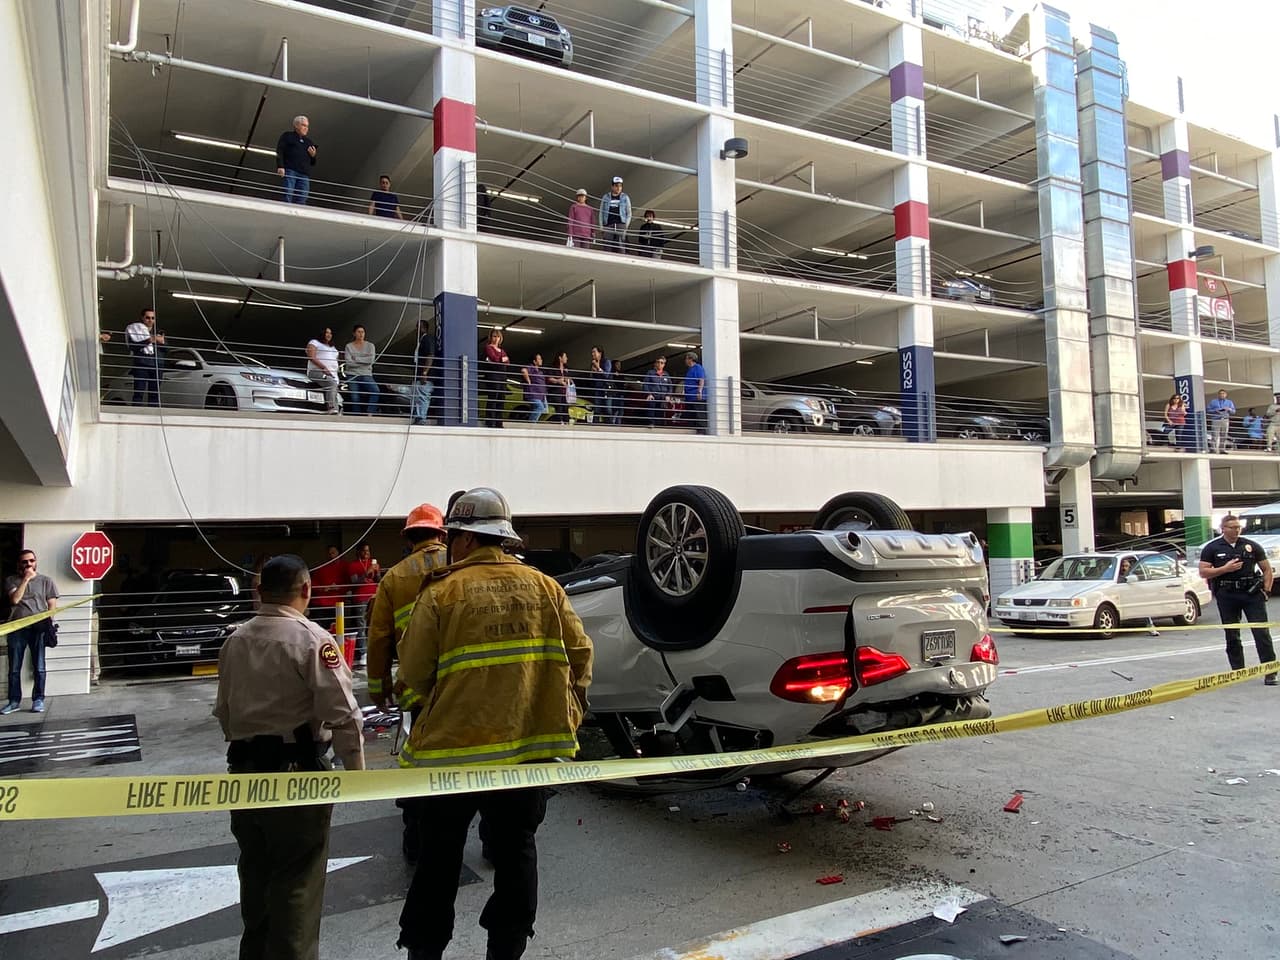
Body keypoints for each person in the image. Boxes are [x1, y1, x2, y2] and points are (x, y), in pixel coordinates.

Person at [395, 487, 593, 960]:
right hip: (528, 753)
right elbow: (582, 656)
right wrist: (567, 712)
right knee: (516, 852)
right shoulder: (547, 587)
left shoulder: (442, 592)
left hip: (451, 755)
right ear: (502, 537)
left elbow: (415, 672)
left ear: (462, 538)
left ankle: (425, 950)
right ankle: (505, 950)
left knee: (438, 857)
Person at [213, 554, 364, 960]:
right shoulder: (313, 640)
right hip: (297, 771)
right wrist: (357, 774)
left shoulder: (235, 640)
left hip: (243, 770)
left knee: (256, 874)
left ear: (259, 592)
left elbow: (224, 711)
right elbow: (344, 714)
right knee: (298, 882)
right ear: (307, 590)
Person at [365, 503, 449, 861]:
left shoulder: (394, 577)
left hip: (417, 688)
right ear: (442, 533)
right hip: (461, 683)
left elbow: (379, 638)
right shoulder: (460, 564)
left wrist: (378, 688)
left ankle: (415, 838)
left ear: (409, 537)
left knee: (420, 758)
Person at [1198, 515, 1276, 683]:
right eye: (1232, 527)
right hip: (1227, 594)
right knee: (1232, 634)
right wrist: (1225, 569)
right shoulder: (1212, 548)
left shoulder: (1251, 546)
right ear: (1223, 529)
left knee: (1261, 632)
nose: (1236, 530)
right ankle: (1238, 672)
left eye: (1238, 527)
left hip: (1251, 594)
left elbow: (1267, 570)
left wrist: (1266, 590)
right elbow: (1203, 572)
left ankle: (1270, 671)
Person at [3, 549, 59, 714]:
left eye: (31, 561)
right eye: (25, 562)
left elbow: (52, 605)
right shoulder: (11, 580)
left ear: (36, 562)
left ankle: (38, 699)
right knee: (14, 668)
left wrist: (49, 625)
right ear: (19, 564)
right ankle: (14, 702)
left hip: (38, 628)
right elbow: (15, 599)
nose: (29, 564)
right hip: (17, 628)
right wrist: (26, 579)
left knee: (39, 666)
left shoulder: (46, 581)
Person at [346, 543, 380, 668]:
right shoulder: (353, 565)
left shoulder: (374, 563)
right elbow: (354, 582)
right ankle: (363, 653)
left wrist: (376, 572)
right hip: (360, 598)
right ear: (359, 552)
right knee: (361, 626)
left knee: (374, 625)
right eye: (364, 551)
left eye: (368, 550)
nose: (367, 553)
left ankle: (374, 651)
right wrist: (367, 573)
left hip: (374, 596)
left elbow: (378, 581)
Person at [125, 307, 165, 407]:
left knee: (154, 395)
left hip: (157, 365)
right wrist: (149, 340)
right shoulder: (135, 330)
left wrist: (162, 342)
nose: (150, 320)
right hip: (141, 364)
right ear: (142, 318)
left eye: (153, 318)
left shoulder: (159, 331)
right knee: (138, 393)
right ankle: (136, 417)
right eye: (148, 318)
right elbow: (132, 347)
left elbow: (167, 349)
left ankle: (153, 419)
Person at [275, 115, 317, 205]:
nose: (306, 128)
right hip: (290, 170)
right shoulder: (287, 136)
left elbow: (313, 163)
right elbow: (280, 151)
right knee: (287, 193)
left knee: (302, 197)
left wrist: (313, 156)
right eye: (303, 125)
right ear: (296, 125)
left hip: (304, 174)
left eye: (307, 126)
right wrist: (280, 166)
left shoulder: (309, 142)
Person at [309, 544, 346, 635]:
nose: (331, 555)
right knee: (321, 629)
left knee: (335, 629)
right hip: (321, 603)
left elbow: (349, 583)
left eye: (333, 553)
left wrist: (339, 587)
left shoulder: (345, 567)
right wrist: (323, 588)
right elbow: (313, 583)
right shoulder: (322, 567)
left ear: (339, 553)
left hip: (336, 604)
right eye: (329, 553)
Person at [344, 325, 380, 416]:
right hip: (352, 375)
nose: (361, 334)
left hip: (366, 374)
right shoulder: (349, 346)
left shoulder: (370, 345)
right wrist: (364, 360)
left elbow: (371, 360)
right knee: (355, 397)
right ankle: (356, 416)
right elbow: (349, 363)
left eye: (363, 332)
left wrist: (356, 358)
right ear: (354, 333)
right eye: (359, 332)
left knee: (375, 390)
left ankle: (370, 412)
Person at [306, 328, 340, 413]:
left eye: (330, 333)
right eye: (327, 333)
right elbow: (312, 357)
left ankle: (335, 412)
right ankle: (331, 407)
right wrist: (324, 368)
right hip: (316, 371)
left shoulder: (333, 347)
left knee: (334, 390)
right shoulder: (314, 342)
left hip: (332, 375)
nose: (329, 335)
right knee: (331, 383)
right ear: (322, 333)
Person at [481, 328, 509, 428]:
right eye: (494, 336)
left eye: (498, 337)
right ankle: (490, 421)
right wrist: (502, 360)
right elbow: (495, 358)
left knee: (501, 398)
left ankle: (498, 421)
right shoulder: (488, 347)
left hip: (502, 376)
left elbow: (507, 362)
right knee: (493, 396)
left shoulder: (502, 350)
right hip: (493, 375)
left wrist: (500, 361)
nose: (496, 339)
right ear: (491, 337)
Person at [598, 176, 631, 254]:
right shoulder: (606, 197)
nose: (618, 188)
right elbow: (601, 212)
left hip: (621, 224)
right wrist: (601, 227)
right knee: (607, 247)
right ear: (612, 186)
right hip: (608, 224)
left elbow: (629, 213)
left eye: (620, 186)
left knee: (621, 246)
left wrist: (626, 226)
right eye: (616, 186)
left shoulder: (625, 197)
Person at [412, 324, 437, 426]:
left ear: (424, 328)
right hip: (419, 374)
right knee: (418, 395)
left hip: (425, 375)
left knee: (423, 394)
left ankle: (421, 418)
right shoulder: (422, 340)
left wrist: (425, 372)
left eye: (418, 327)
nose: (416, 329)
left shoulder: (427, 338)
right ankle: (418, 416)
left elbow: (430, 355)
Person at [587, 346, 616, 425]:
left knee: (607, 408)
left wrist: (597, 367)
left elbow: (606, 375)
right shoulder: (593, 362)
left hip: (606, 388)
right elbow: (592, 378)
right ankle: (595, 425)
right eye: (592, 352)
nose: (592, 354)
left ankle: (609, 426)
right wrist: (593, 371)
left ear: (600, 353)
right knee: (597, 408)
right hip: (597, 388)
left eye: (594, 352)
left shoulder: (606, 361)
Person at [642, 356, 674, 426]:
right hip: (653, 396)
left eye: (662, 363)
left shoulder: (666, 374)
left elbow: (670, 386)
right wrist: (649, 394)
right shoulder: (650, 373)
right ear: (655, 363)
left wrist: (668, 395)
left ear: (664, 364)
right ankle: (651, 424)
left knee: (661, 413)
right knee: (651, 411)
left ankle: (659, 426)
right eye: (658, 362)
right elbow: (645, 385)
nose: (660, 364)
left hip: (662, 397)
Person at [682, 351, 707, 433]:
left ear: (691, 359)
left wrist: (699, 391)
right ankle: (692, 430)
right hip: (689, 397)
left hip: (696, 396)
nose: (685, 360)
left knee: (699, 415)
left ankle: (701, 431)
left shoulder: (698, 368)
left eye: (686, 358)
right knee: (691, 415)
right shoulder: (690, 369)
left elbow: (701, 379)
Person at [1206, 388, 1234, 454]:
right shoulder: (1213, 401)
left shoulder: (1229, 402)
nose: (1222, 395)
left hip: (1225, 420)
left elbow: (1233, 411)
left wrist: (1229, 409)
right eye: (1220, 394)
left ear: (1226, 395)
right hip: (1216, 419)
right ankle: (1213, 449)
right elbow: (1208, 410)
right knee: (1214, 435)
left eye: (1223, 394)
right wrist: (1215, 411)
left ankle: (1222, 450)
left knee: (1224, 435)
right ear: (1218, 395)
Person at [547, 351, 572, 424]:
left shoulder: (566, 369)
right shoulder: (553, 368)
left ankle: (566, 422)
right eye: (565, 357)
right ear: (560, 358)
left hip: (565, 393)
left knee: (565, 408)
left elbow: (570, 379)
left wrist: (567, 380)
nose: (566, 358)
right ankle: (559, 423)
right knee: (559, 407)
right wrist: (558, 381)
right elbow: (549, 378)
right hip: (555, 392)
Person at [522, 353, 548, 422]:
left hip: (540, 396)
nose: (541, 360)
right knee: (539, 407)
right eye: (539, 359)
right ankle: (531, 424)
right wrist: (528, 380)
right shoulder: (531, 367)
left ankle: (529, 420)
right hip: (533, 394)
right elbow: (524, 371)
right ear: (534, 361)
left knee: (541, 409)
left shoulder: (539, 371)